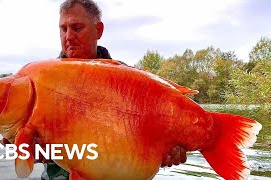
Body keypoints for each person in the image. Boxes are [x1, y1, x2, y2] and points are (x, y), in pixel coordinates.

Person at [39, 0, 187, 179]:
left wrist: (166, 151)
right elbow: (23, 147)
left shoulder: (130, 80)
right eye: (63, 29)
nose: (68, 36)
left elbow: (148, 140)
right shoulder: (43, 81)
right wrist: (30, 149)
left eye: (77, 28)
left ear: (98, 30)